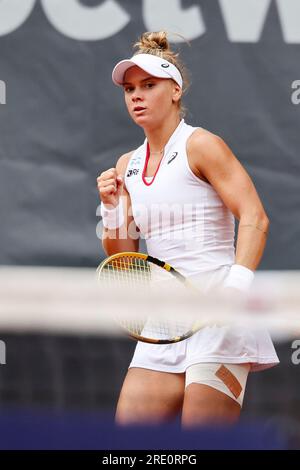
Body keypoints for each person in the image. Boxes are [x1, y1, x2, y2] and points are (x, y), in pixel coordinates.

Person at [97, 31, 279, 427]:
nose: (136, 96)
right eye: (129, 89)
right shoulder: (127, 163)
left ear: (175, 91)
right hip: (163, 320)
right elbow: (123, 255)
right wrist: (112, 208)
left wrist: (234, 290)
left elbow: (254, 218)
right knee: (128, 446)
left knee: (199, 447)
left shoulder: (203, 146)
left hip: (219, 314)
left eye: (149, 85)